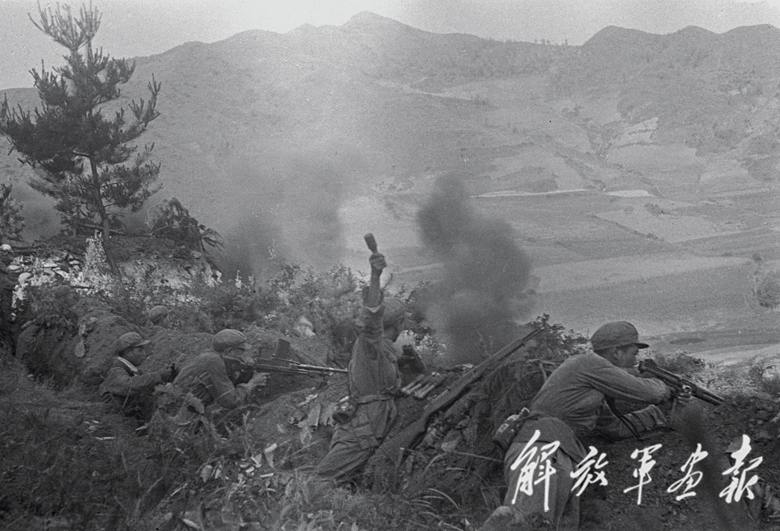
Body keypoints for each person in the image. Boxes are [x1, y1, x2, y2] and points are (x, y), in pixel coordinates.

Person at [481, 321, 679, 531]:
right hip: (539, 452)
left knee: (543, 526)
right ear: (616, 352)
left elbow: (615, 428)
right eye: (633, 353)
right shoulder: (588, 363)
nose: (635, 360)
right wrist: (667, 387)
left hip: (559, 453)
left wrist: (660, 412)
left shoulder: (592, 389)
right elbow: (648, 391)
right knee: (521, 524)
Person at [316, 249, 426, 483]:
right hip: (362, 428)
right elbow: (372, 316)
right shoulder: (371, 343)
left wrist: (407, 366)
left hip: (370, 425)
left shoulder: (385, 349)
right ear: (399, 323)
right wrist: (375, 275)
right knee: (320, 482)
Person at [171, 328, 268, 410]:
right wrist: (253, 383)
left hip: (179, 407)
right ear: (230, 351)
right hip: (178, 413)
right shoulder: (214, 361)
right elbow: (231, 401)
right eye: (242, 350)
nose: (244, 354)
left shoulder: (209, 356)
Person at [99, 331, 176, 421]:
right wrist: (158, 375)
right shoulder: (115, 370)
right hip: (116, 420)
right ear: (128, 352)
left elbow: (145, 381)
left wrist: (170, 375)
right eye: (140, 350)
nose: (144, 353)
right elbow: (129, 386)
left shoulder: (131, 370)